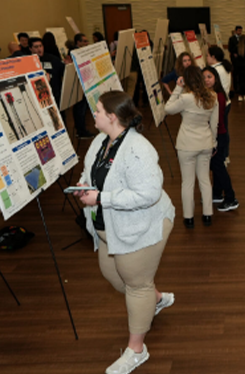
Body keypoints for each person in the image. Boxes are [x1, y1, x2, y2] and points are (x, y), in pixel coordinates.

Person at [73, 90, 175, 374]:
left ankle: (136, 350)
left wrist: (101, 198)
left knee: (136, 284)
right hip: (109, 227)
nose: (93, 114)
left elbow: (148, 194)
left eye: (97, 110)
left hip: (141, 226)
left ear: (112, 117)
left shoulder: (138, 149)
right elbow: (90, 172)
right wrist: (84, 185)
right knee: (114, 275)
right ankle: (154, 298)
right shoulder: (99, 141)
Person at [164, 66, 218, 228]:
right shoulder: (212, 96)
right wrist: (213, 142)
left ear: (186, 80)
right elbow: (214, 124)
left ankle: (189, 218)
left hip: (187, 144)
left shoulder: (186, 98)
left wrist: (178, 87)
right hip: (205, 142)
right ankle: (207, 215)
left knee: (187, 182)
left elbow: (168, 108)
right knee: (205, 180)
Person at [203, 66, 239, 212]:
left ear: (215, 78)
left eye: (209, 77)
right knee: (216, 166)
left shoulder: (217, 96)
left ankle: (231, 198)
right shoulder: (211, 94)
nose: (206, 80)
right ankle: (217, 194)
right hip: (217, 134)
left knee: (218, 167)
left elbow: (215, 121)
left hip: (218, 135)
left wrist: (214, 141)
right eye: (204, 77)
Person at [70, 33, 94, 138]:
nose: (86, 43)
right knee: (80, 109)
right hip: (79, 85)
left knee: (82, 109)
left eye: (87, 41)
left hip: (84, 83)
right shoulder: (74, 53)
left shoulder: (81, 52)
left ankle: (81, 129)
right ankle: (81, 130)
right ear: (78, 42)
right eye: (84, 41)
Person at [29, 37, 65, 104]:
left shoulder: (53, 59)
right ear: (30, 49)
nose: (39, 49)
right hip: (40, 97)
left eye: (40, 46)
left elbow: (64, 72)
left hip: (56, 94)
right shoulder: (28, 62)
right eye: (36, 47)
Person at [233, 34, 245, 101]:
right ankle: (244, 94)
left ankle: (240, 95)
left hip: (238, 65)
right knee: (244, 81)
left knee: (239, 80)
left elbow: (235, 56)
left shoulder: (236, 47)